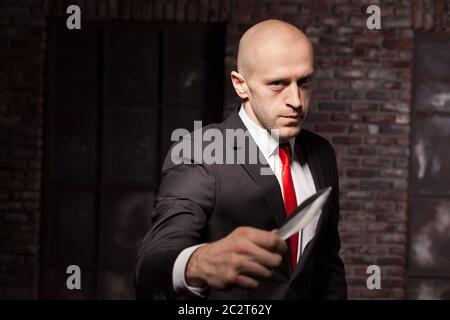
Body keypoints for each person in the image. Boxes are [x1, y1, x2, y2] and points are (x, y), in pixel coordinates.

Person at [133, 19, 347, 300]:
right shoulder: (200, 152)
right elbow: (150, 265)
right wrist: (199, 262)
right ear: (240, 85)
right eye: (278, 84)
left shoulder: (322, 154)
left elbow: (327, 265)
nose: (296, 100)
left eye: (304, 81)